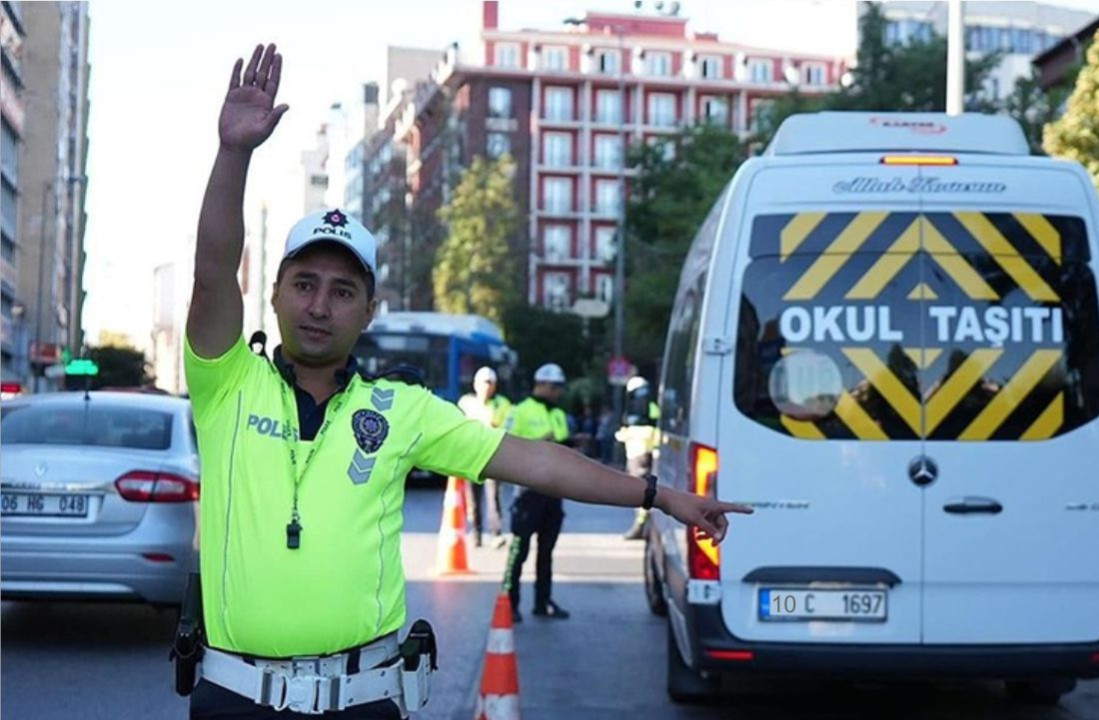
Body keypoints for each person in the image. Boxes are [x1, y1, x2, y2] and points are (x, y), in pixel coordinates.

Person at [181, 43, 749, 719]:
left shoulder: (400, 409)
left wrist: (658, 494)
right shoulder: (226, 384)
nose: (318, 305)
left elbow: (535, 460)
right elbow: (214, 270)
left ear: (367, 313)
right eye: (303, 284)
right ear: (273, 295)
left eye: (341, 291)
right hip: (235, 700)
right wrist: (234, 154)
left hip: (362, 702)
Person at [502, 363, 572, 623]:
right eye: (554, 387)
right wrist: (539, 443)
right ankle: (509, 602)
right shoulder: (518, 411)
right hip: (528, 491)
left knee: (547, 550)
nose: (557, 392)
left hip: (554, 490)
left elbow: (563, 447)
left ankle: (543, 601)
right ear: (539, 384)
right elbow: (505, 444)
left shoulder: (559, 414)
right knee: (519, 550)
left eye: (560, 388)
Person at [457, 366, 512, 548]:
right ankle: (477, 533)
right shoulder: (466, 402)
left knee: (494, 496)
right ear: (475, 384)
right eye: (483, 383)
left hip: (494, 455)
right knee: (473, 498)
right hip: (471, 457)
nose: (487, 387)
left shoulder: (502, 404)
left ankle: (496, 533)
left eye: (490, 384)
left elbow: (507, 427)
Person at [617, 376, 662, 540]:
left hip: (640, 451)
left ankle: (641, 525)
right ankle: (642, 523)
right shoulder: (650, 405)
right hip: (641, 450)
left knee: (641, 489)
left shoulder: (637, 407)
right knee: (642, 488)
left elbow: (652, 427)